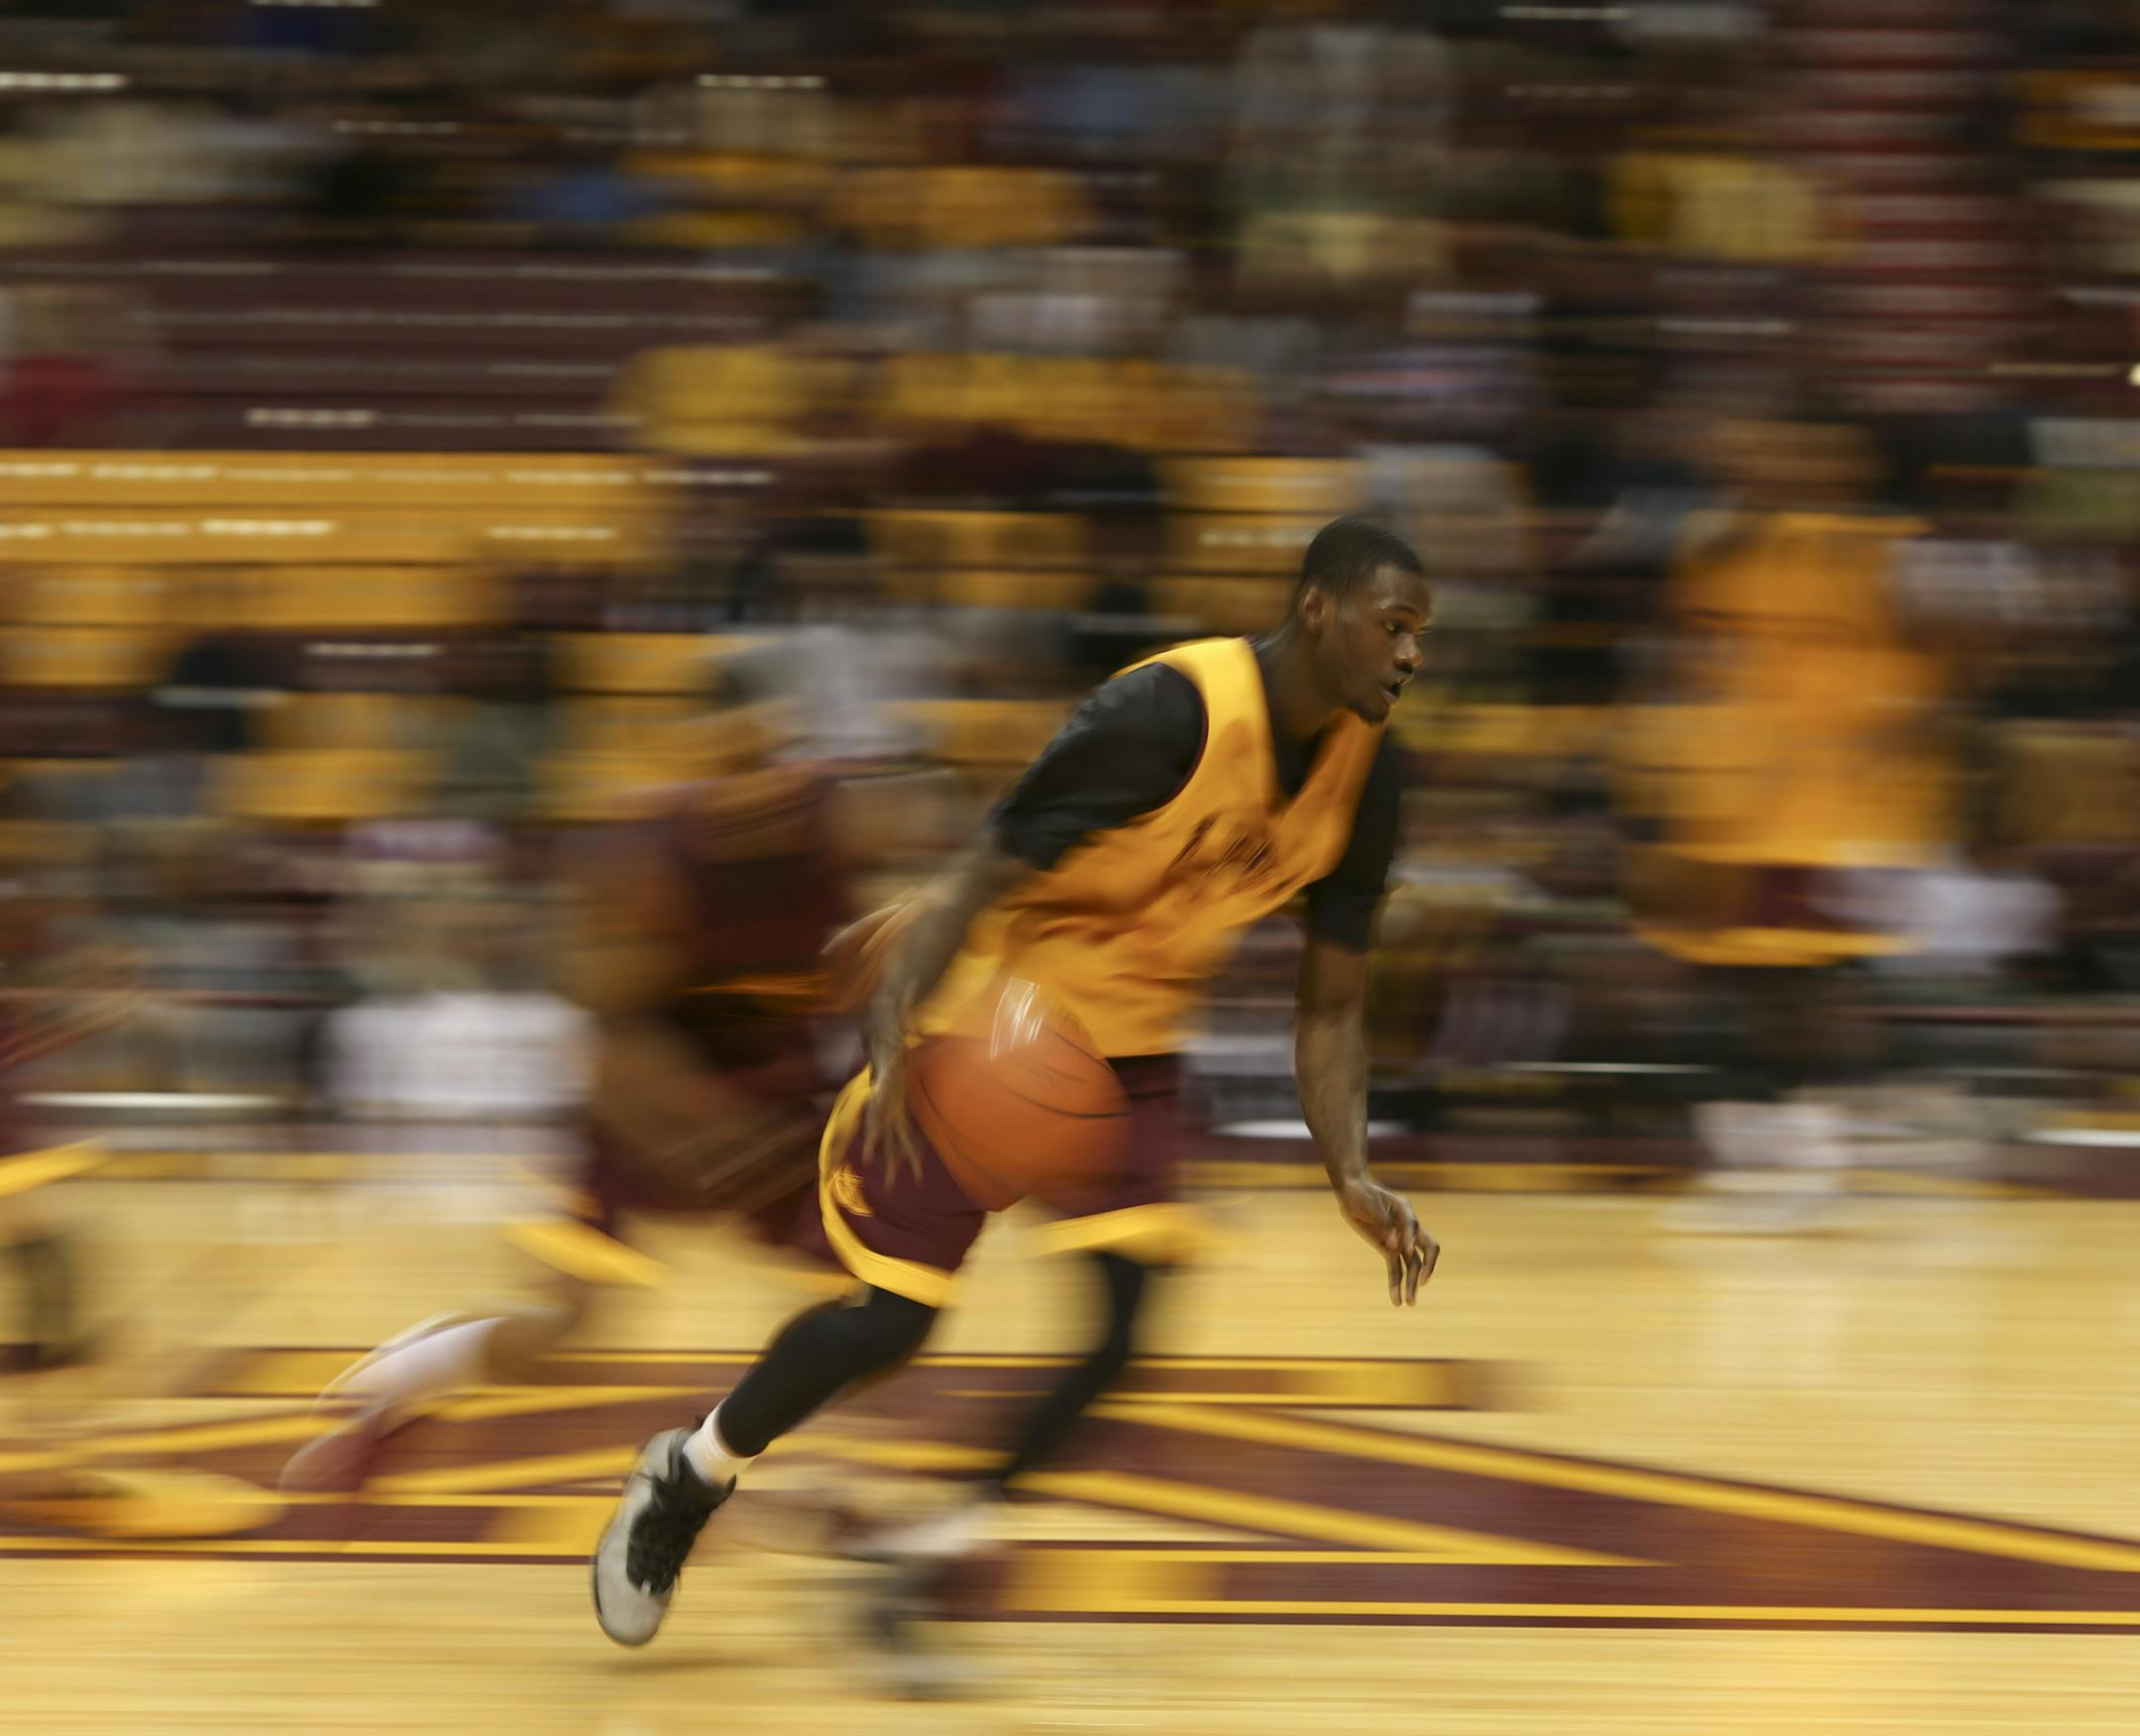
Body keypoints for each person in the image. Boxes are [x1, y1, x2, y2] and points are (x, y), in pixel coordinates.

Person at [589, 514, 1443, 1649]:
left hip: (1132, 1047)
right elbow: (983, 868)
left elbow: (1332, 1002)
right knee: (891, 1321)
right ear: (1318, 609)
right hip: (994, 1013)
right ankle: (691, 1473)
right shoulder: (1166, 713)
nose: (1409, 654)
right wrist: (898, 1017)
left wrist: (1351, 1172)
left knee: (1124, 1331)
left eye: (1420, 635)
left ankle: (939, 1539)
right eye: (1393, 626)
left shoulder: (1372, 778)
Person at [280, 667, 857, 1492]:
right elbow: (608, 1043)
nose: (761, 782)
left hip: (771, 1105)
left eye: (771, 758)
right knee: (562, 1325)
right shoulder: (639, 855)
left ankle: (805, 1472)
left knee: (870, 1303)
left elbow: (863, 970)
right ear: (697, 760)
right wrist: (710, 1133)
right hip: (643, 1124)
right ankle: (396, 1384)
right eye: (737, 763)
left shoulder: (829, 837)